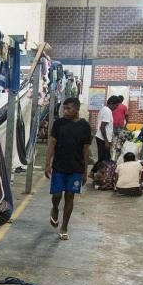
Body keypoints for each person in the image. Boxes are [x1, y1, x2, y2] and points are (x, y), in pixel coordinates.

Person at [45, 97, 92, 241]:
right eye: (64, 109)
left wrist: (85, 171)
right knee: (57, 195)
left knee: (70, 196)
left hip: (76, 168)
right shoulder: (58, 124)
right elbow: (52, 143)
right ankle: (54, 208)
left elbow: (86, 149)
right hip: (59, 166)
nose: (65, 111)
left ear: (77, 109)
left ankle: (64, 226)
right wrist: (47, 163)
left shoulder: (85, 126)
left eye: (68, 108)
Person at [95, 96, 120, 164]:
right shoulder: (107, 111)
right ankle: (93, 172)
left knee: (104, 157)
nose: (116, 107)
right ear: (111, 103)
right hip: (103, 138)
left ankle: (94, 172)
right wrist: (106, 141)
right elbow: (102, 127)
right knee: (103, 158)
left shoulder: (104, 109)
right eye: (116, 105)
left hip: (101, 137)